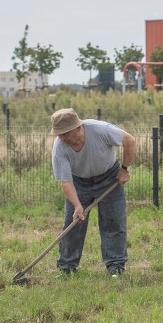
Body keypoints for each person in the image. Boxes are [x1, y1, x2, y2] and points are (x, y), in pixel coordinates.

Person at [50, 108, 136, 277]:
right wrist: (77, 206)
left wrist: (124, 170)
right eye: (58, 134)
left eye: (64, 134)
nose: (61, 138)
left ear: (77, 128)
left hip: (109, 178)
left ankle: (116, 266)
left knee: (113, 223)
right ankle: (67, 268)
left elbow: (129, 140)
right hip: (79, 182)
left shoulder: (100, 130)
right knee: (73, 224)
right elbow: (66, 182)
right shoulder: (60, 147)